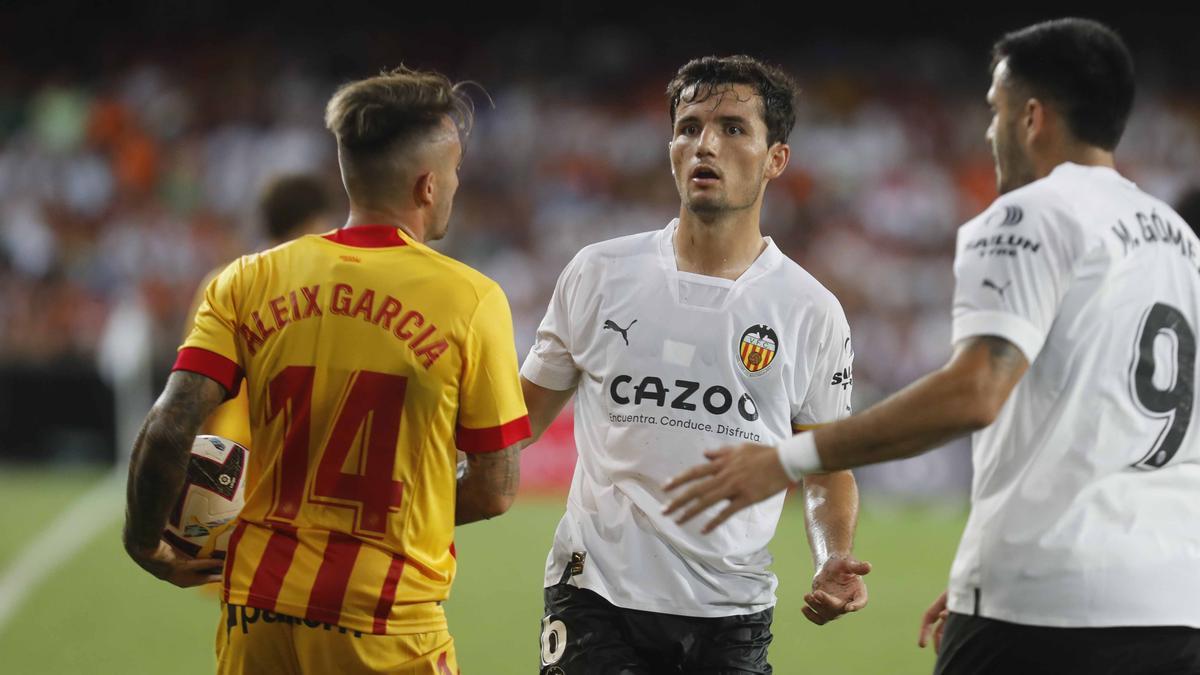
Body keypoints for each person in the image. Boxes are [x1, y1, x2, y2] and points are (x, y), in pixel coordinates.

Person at [665, 19, 1200, 675]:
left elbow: (975, 391)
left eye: (994, 112)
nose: (989, 132)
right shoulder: (1177, 238)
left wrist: (791, 454)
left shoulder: (1031, 213)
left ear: (1031, 116)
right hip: (1173, 606)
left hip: (1048, 599)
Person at [123, 66, 531, 675]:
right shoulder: (470, 299)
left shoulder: (248, 279)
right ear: (426, 184)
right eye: (454, 171)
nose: (454, 184)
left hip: (256, 611)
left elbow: (169, 424)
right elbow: (495, 490)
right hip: (386, 619)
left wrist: (143, 541)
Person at [519, 55, 870, 674]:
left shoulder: (811, 310)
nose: (705, 143)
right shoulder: (599, 273)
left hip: (731, 611)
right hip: (593, 594)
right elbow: (517, 420)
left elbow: (827, 468)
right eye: (689, 127)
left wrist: (830, 556)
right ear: (671, 148)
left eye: (734, 128)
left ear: (775, 159)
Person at [183, 173, 335, 455]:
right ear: (312, 224)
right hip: (292, 457)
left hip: (230, 453)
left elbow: (196, 390)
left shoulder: (223, 283)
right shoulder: (327, 293)